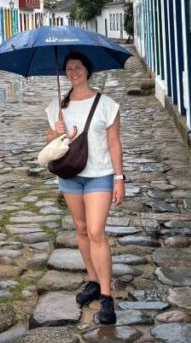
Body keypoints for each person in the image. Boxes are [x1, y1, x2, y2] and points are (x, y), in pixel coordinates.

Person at [43, 52, 124, 325]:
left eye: (78, 67)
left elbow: (114, 144)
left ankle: (106, 294)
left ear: (87, 70)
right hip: (69, 175)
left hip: (99, 175)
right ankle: (92, 278)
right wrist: (56, 132)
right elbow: (51, 143)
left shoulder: (107, 105)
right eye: (68, 68)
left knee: (96, 231)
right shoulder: (57, 105)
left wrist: (119, 178)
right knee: (80, 228)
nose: (73, 72)